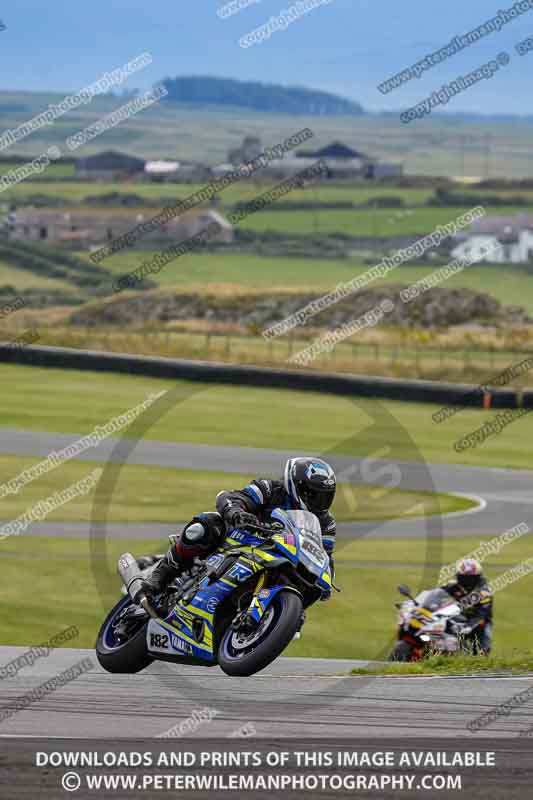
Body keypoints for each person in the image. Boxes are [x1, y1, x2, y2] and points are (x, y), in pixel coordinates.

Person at [139, 457, 337, 600]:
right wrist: (236, 512)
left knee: (313, 586)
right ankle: (160, 574)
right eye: (312, 494)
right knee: (205, 526)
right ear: (296, 486)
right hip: (240, 543)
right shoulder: (269, 488)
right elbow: (232, 498)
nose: (318, 502)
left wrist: (327, 577)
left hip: (279, 561)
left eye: (324, 496)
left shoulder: (326, 523)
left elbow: (324, 556)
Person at [442, 558, 493, 655]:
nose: (467, 580)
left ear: (477, 577)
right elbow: (437, 594)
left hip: (480, 622)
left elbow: (483, 613)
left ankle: (481, 658)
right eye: (464, 577)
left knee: (484, 644)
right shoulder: (452, 586)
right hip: (456, 619)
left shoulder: (484, 591)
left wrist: (469, 626)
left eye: (470, 577)